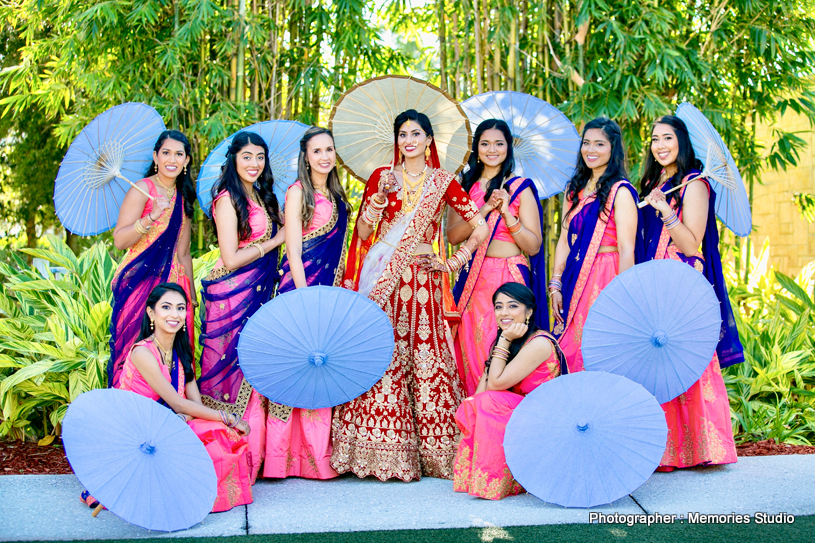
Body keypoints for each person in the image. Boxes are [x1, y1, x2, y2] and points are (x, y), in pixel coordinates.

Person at [332, 109, 488, 481]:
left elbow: (479, 227)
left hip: (424, 282)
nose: (409, 140)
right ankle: (374, 450)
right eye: (403, 134)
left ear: (429, 140)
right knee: (383, 353)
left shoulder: (443, 181)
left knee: (425, 355)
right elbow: (365, 234)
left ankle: (434, 453)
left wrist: (455, 262)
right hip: (384, 279)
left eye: (416, 133)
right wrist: (377, 201)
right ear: (397, 141)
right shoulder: (381, 178)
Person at [640, 115, 741, 470]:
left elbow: (691, 242)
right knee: (658, 360)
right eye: (654, 139)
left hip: (682, 282)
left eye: (667, 137)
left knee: (691, 360)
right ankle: (665, 451)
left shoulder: (694, 183)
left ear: (682, 141)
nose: (660, 145)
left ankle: (705, 447)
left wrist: (665, 209)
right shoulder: (654, 182)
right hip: (654, 281)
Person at [197, 131, 285, 483]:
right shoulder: (227, 199)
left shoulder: (263, 195)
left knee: (257, 366)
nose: (254, 163)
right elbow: (231, 257)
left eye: (260, 157)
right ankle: (230, 459)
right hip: (233, 296)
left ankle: (258, 457)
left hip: (260, 291)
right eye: (247, 156)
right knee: (232, 370)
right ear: (234, 159)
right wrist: (274, 241)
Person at [118, 283, 252, 512]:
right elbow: (178, 403)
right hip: (142, 427)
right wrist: (228, 417)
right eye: (166, 307)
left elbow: (194, 406)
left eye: (180, 308)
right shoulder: (142, 352)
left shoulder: (180, 353)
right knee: (222, 429)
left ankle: (207, 497)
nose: (175, 314)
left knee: (220, 434)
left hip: (173, 421)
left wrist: (211, 421)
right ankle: (193, 498)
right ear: (151, 312)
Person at [264, 127, 351, 479]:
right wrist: (304, 298)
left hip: (328, 292)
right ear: (305, 156)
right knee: (294, 368)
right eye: (317, 151)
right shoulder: (297, 192)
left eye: (329, 149)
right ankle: (280, 460)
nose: (325, 156)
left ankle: (316, 458)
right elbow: (295, 252)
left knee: (321, 369)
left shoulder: (336, 192)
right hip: (300, 292)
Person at [448, 119, 546, 396]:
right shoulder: (464, 187)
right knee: (470, 344)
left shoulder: (519, 187)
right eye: (485, 144)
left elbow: (534, 245)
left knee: (502, 341)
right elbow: (454, 236)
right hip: (473, 280)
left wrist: (507, 214)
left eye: (499, 143)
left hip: (509, 277)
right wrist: (486, 208)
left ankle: (501, 416)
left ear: (508, 148)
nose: (492, 150)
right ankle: (473, 416)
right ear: (476, 149)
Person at [453, 282, 566, 500]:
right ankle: (475, 472)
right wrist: (463, 447)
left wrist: (503, 340)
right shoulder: (509, 340)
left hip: (543, 419)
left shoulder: (539, 343)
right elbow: (480, 393)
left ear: (529, 311)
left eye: (512, 306)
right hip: (521, 414)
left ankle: (496, 481)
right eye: (498, 306)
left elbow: (496, 384)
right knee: (477, 402)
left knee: (490, 402)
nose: (504, 313)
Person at [550, 118, 641, 373]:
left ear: (613, 149)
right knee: (568, 347)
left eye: (599, 144)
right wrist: (555, 283)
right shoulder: (574, 189)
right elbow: (564, 240)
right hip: (575, 274)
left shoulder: (620, 191)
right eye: (586, 143)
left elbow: (626, 249)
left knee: (598, 346)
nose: (591, 150)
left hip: (606, 276)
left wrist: (624, 298)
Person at [108, 130, 196, 388]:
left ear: (186, 160)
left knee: (175, 355)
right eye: (166, 153)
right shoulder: (142, 189)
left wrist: (190, 297)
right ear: (156, 157)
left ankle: (171, 412)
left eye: (179, 154)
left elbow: (183, 252)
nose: (172, 159)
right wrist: (151, 217)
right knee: (135, 350)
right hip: (140, 285)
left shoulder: (183, 196)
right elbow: (120, 240)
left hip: (173, 288)